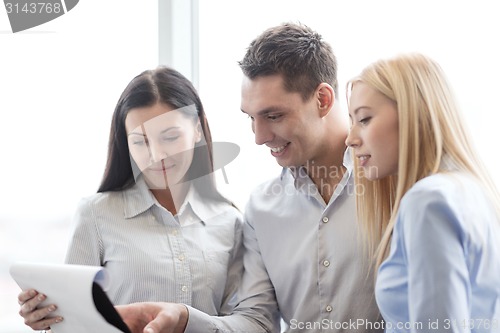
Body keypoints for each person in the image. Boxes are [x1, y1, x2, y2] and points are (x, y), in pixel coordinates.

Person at [114, 22, 382, 333]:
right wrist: (185, 319)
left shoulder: (392, 181)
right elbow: (257, 321)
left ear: (322, 100)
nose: (259, 137)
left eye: (273, 116)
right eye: (251, 118)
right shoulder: (262, 209)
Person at [17, 66, 244, 332]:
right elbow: (74, 324)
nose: (156, 154)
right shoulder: (96, 215)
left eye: (170, 137)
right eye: (139, 142)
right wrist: (49, 320)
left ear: (196, 130)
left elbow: (243, 323)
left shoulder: (230, 222)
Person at [345, 53, 500, 332]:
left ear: (413, 114)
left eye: (364, 119)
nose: (351, 138)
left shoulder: (428, 200)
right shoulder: (475, 191)